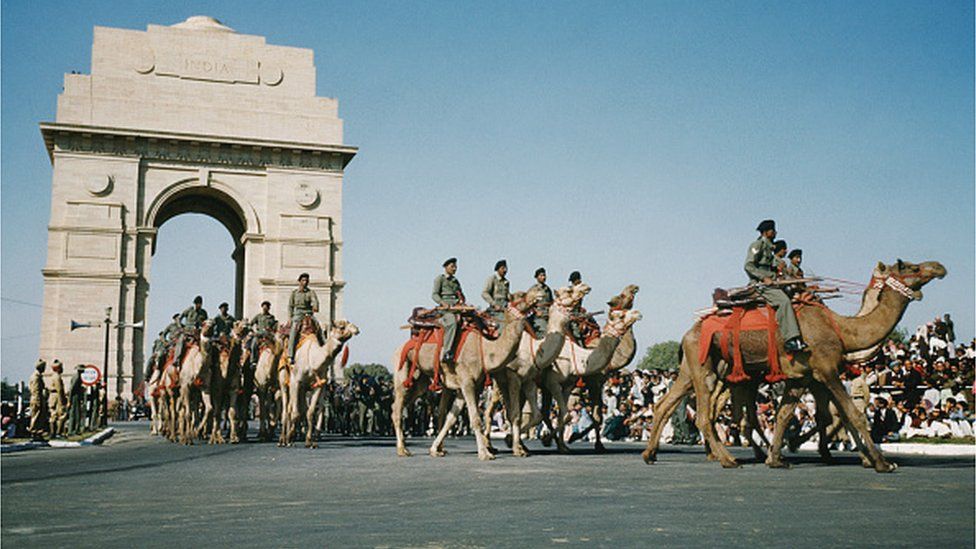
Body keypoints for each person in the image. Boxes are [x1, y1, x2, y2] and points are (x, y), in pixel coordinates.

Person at [745, 220, 805, 352]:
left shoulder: (769, 248)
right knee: (784, 302)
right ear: (766, 232)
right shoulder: (757, 245)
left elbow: (770, 265)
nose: (775, 233)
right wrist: (763, 277)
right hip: (761, 284)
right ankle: (790, 340)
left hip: (772, 282)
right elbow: (748, 266)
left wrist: (778, 268)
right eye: (773, 230)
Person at [432, 257, 466, 364]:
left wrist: (462, 303)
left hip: (457, 308)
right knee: (452, 322)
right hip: (445, 310)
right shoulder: (440, 279)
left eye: (456, 266)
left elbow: (461, 295)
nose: (455, 268)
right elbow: (434, 294)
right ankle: (447, 352)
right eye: (452, 266)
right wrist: (443, 303)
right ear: (446, 267)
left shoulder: (456, 281)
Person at [288, 273, 320, 364]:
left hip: (308, 314)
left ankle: (324, 351)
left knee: (319, 328)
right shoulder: (294, 293)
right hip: (298, 314)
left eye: (306, 280)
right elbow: (290, 306)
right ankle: (291, 355)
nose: (305, 282)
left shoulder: (311, 292)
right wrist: (290, 318)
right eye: (303, 280)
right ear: (299, 281)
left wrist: (315, 306)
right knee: (293, 331)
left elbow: (315, 301)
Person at [174, 296, 208, 363]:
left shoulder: (203, 313)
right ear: (195, 304)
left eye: (200, 304)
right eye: (197, 304)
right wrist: (181, 328)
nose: (199, 305)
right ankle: (177, 360)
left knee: (207, 344)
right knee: (180, 342)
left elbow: (205, 323)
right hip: (187, 333)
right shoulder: (189, 310)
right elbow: (179, 319)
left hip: (198, 334)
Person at [528, 267, 554, 335]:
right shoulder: (533, 289)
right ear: (537, 277)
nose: (543, 277)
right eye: (541, 275)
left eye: (544, 275)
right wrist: (536, 311)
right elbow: (528, 304)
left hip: (548, 315)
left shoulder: (548, 289)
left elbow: (551, 302)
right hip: (538, 316)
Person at [28, 359, 49, 439]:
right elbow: (35, 390)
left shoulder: (37, 376)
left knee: (40, 416)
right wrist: (38, 400)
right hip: (36, 397)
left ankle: (38, 432)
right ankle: (34, 431)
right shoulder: (36, 377)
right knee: (36, 415)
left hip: (37, 397)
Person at [47, 360, 68, 438]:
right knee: (61, 414)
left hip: (52, 396)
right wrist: (62, 400)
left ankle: (52, 432)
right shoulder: (57, 377)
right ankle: (58, 432)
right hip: (57, 396)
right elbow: (59, 389)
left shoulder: (53, 376)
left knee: (53, 414)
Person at [68, 365, 86, 435]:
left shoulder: (77, 376)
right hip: (75, 397)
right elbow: (72, 389)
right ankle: (74, 430)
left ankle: (74, 429)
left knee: (75, 414)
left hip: (76, 396)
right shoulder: (77, 377)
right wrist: (69, 400)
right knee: (75, 414)